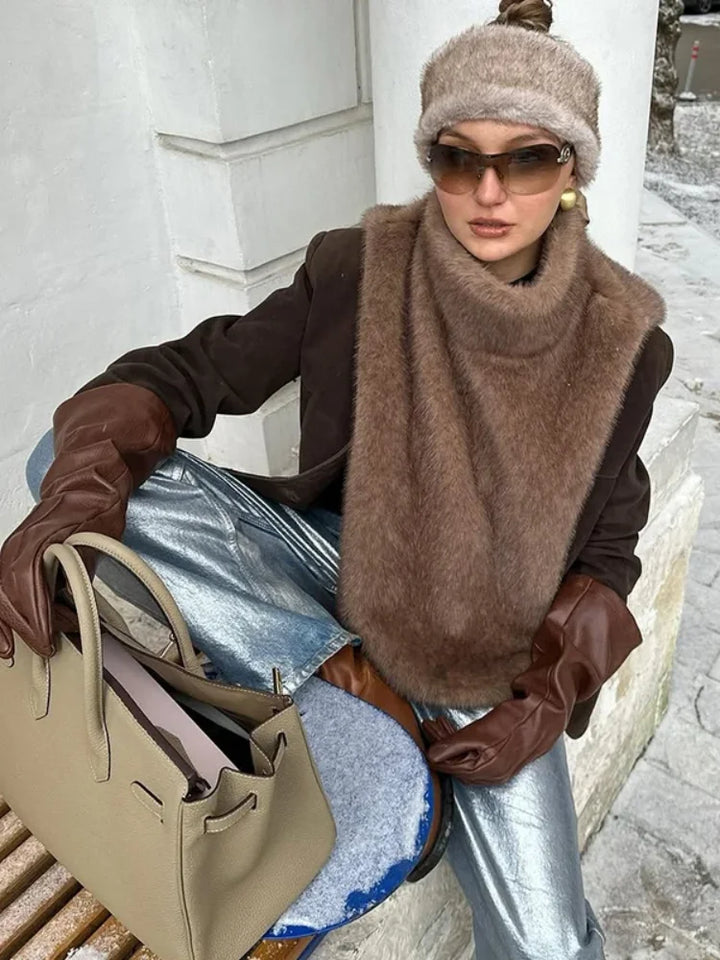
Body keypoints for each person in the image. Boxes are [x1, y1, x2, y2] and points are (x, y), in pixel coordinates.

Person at [0, 0, 674, 957]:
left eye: (526, 159)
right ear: (432, 160)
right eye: (459, 157)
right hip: (322, 576)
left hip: (485, 656)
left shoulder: (622, 344)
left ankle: (351, 704)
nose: (488, 191)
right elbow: (188, 372)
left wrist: (548, 694)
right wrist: (70, 502)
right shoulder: (357, 269)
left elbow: (612, 534)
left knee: (552, 944)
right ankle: (342, 681)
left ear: (571, 172)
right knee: (64, 462)